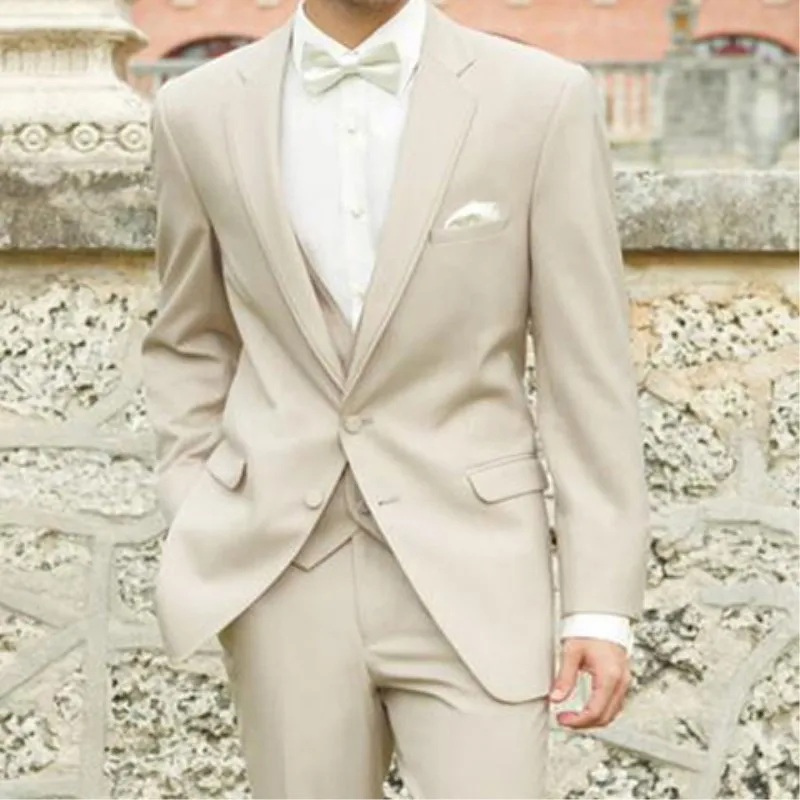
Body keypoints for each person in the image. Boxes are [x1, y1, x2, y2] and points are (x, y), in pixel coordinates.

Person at [141, 0, 651, 796]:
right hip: (283, 566)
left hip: (476, 562)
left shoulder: (541, 99)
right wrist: (197, 498)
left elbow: (587, 367)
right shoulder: (196, 111)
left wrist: (598, 605)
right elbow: (190, 337)